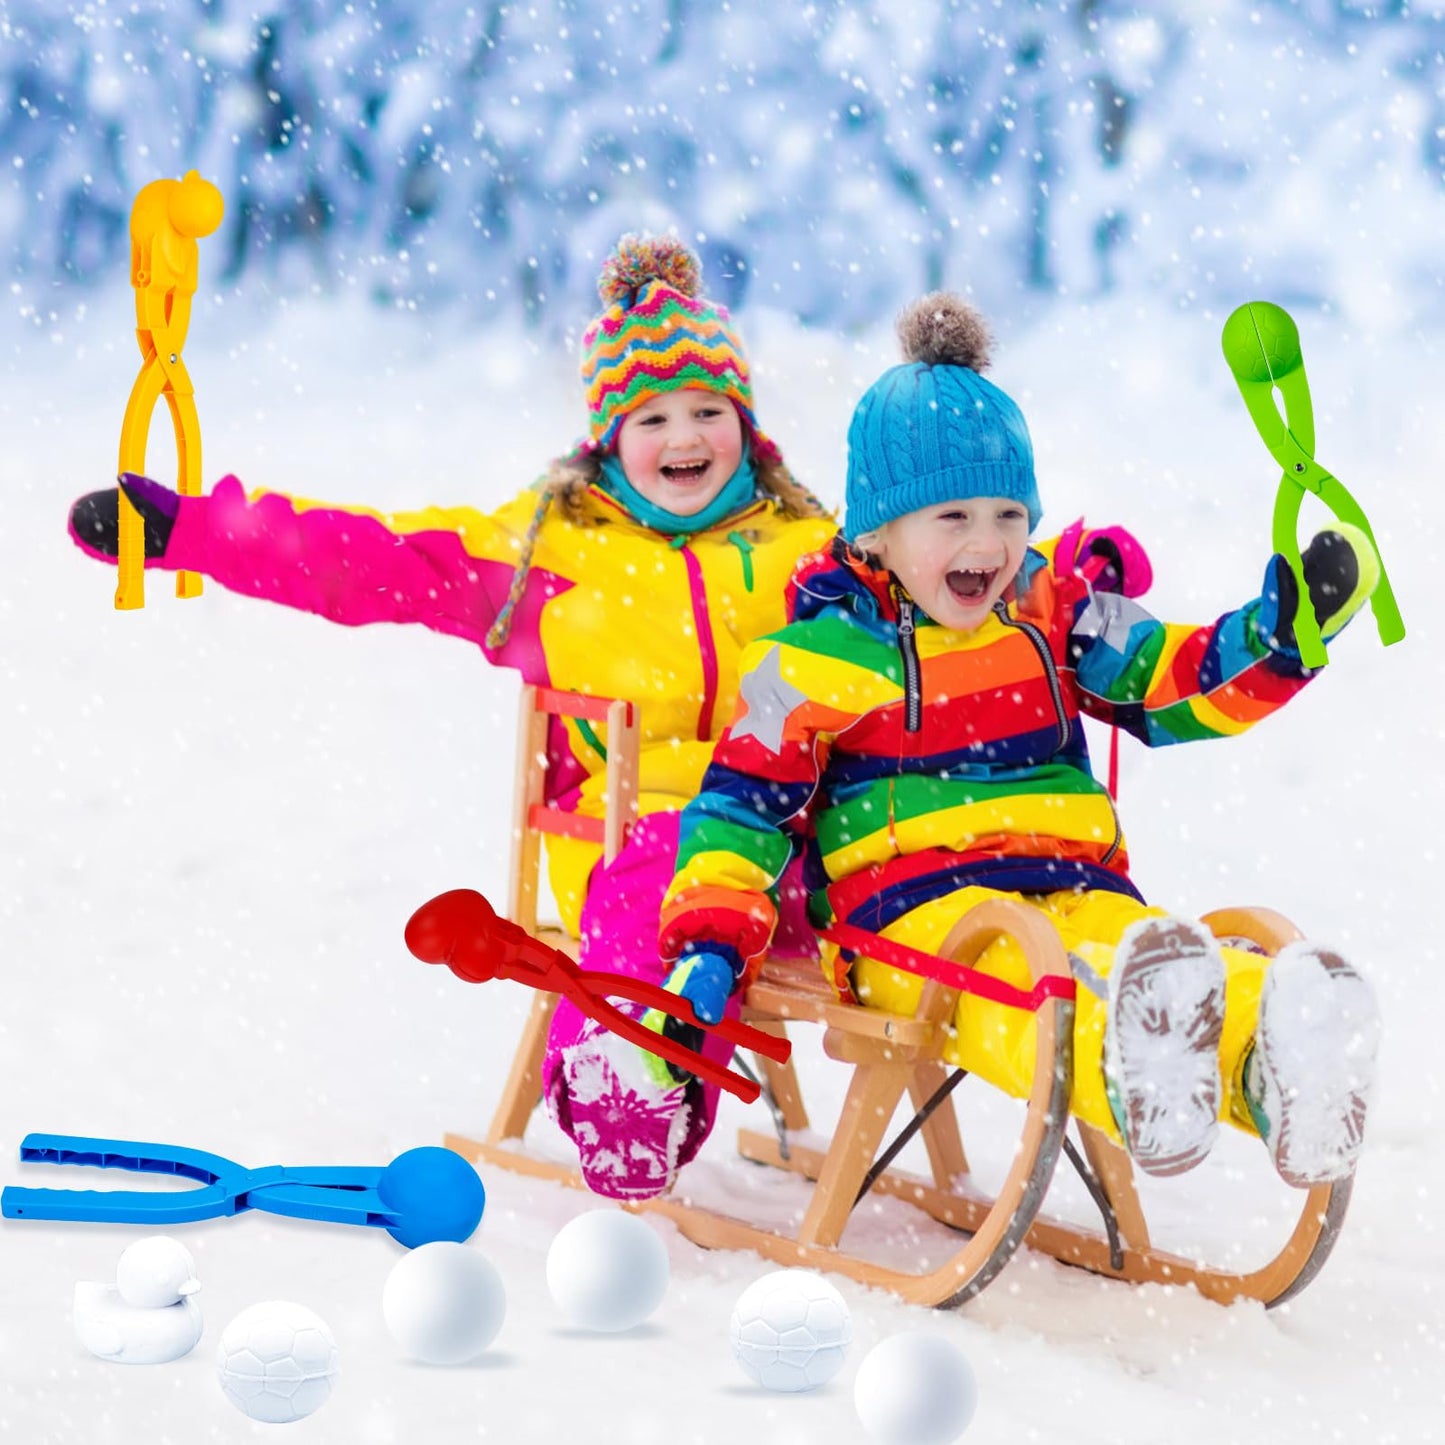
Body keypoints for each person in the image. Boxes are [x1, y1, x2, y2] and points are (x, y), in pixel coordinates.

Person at [66, 234, 845, 1199]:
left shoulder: (813, 549)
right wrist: (186, 532)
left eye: (707, 410)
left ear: (745, 421)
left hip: (803, 836)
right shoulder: (548, 550)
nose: (684, 437)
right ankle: (626, 1080)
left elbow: (938, 597)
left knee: (899, 849)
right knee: (661, 871)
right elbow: (367, 560)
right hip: (641, 839)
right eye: (652, 416)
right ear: (609, 434)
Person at [644, 291, 1382, 1197]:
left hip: (1074, 881)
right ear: (878, 531)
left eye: (1007, 514)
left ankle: (1274, 1053)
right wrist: (709, 943)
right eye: (952, 518)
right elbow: (738, 810)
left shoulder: (1055, 614)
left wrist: (1277, 634)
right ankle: (1127, 1068)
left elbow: (1170, 681)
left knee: (1143, 949)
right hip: (907, 915)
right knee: (1026, 984)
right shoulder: (802, 664)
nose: (987, 543)